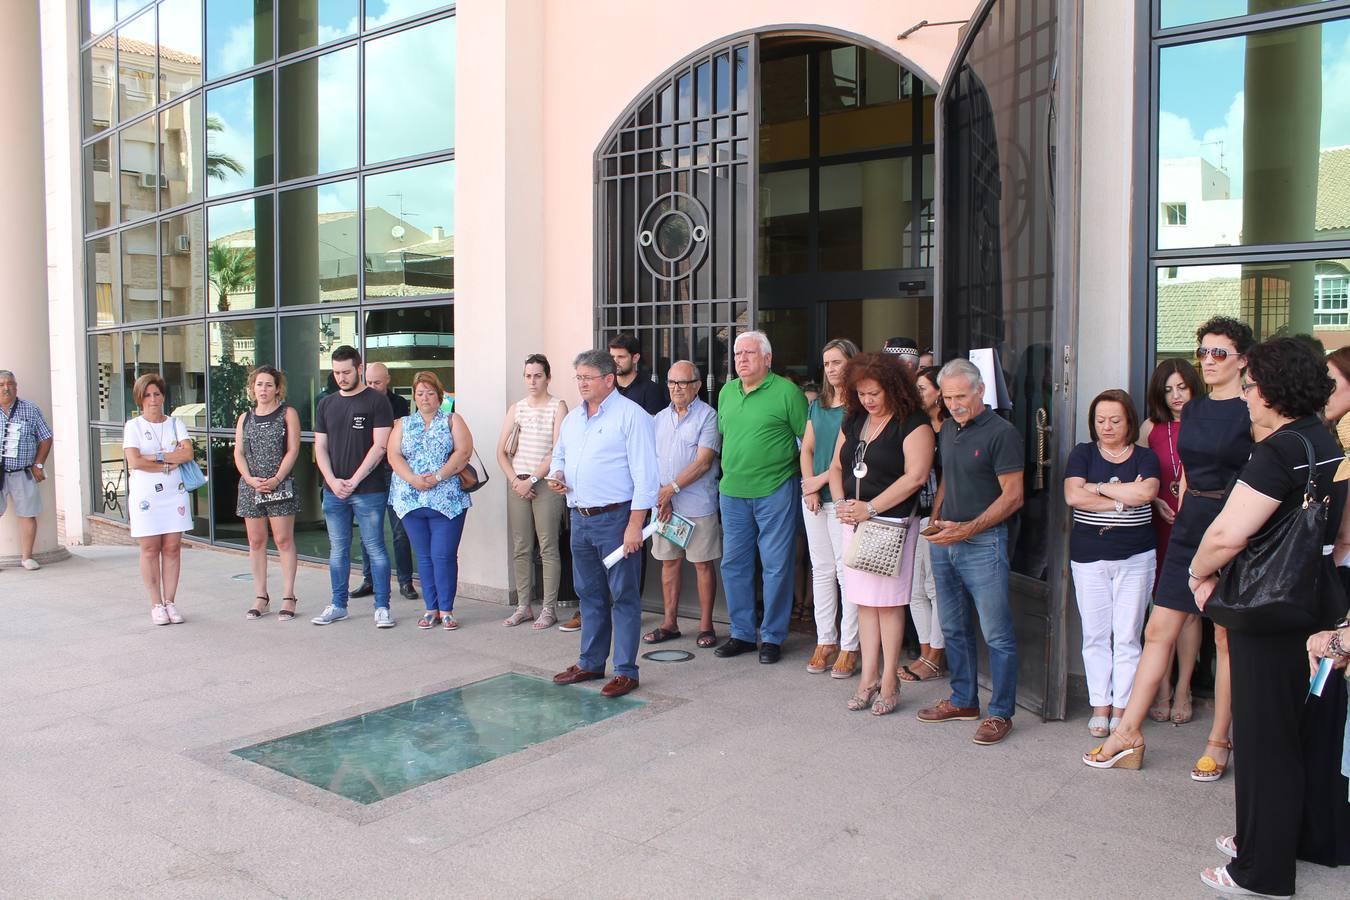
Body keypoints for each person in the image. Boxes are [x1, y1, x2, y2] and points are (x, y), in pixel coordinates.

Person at [1185, 337, 1348, 897]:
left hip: (1269, 608)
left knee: (1265, 740)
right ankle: (1298, 839)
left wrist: (1196, 576)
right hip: (1313, 599)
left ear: (1272, 391)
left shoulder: (1277, 449)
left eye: (1251, 384)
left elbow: (1229, 532)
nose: (1245, 393)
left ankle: (1261, 867)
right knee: (1300, 732)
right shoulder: (1322, 438)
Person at [1084, 317, 1252, 778]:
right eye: (1205, 351)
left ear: (1242, 360)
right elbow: (1188, 468)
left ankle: (1219, 740)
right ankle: (1127, 734)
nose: (1210, 360)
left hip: (1236, 523)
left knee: (1224, 635)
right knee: (1159, 627)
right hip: (1190, 522)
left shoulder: (1253, 408)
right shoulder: (1193, 411)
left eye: (1220, 352)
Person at [918, 358, 1024, 745]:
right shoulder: (947, 429)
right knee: (954, 627)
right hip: (946, 540)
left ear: (981, 391)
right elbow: (947, 478)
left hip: (984, 542)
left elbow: (1013, 496)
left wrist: (969, 528)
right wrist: (936, 518)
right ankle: (964, 700)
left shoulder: (1002, 433)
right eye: (948, 397)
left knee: (997, 634)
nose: (955, 403)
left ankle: (1000, 712)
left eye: (962, 395)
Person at [548, 350, 659, 698]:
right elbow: (559, 456)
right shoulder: (573, 419)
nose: (581, 384)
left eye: (587, 378)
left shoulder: (632, 416)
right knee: (589, 594)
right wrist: (558, 475)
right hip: (580, 518)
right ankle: (591, 662)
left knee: (623, 596)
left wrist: (634, 526)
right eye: (578, 377)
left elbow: (646, 477)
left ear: (609, 379)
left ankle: (626, 670)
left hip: (616, 519)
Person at [828, 353, 932, 715]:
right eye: (862, 393)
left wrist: (870, 508)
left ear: (893, 388)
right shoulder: (855, 418)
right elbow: (837, 465)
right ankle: (867, 677)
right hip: (854, 521)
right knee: (863, 603)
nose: (868, 400)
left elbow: (915, 477)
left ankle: (889, 679)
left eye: (875, 393)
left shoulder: (913, 423)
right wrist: (842, 505)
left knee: (888, 605)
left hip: (891, 525)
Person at [1064, 390, 1161, 738]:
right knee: (1095, 634)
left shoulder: (1145, 457)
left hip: (1136, 557)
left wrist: (1098, 487)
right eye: (1100, 420)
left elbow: (1147, 494)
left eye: (1115, 420)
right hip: (1089, 555)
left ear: (1129, 422)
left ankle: (1123, 708)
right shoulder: (1083, 453)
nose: (1106, 426)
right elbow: (1073, 496)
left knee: (1128, 635)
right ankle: (1099, 706)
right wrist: (1121, 500)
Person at [715, 330, 809, 664]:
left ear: (767, 358)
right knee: (734, 565)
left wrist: (809, 483)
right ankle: (741, 633)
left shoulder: (787, 392)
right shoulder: (726, 392)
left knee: (776, 565)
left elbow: (807, 442)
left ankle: (772, 637)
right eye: (737, 354)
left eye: (749, 353)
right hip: (732, 491)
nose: (741, 359)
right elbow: (727, 437)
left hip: (775, 489)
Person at [1139, 358, 1205, 725]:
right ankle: (1161, 685)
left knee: (1190, 610)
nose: (1176, 395)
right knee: (1159, 606)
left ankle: (1184, 689)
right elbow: (1135, 471)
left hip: (1195, 524)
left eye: (1182, 386)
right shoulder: (1151, 427)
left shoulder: (1209, 421)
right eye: (1168, 389)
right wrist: (1154, 499)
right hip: (1158, 522)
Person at [311, 345, 396, 628]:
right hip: (334, 490)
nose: (341, 377)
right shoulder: (326, 404)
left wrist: (355, 480)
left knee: (375, 548)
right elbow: (320, 447)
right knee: (338, 549)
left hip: (368, 489)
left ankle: (382, 606)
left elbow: (380, 446)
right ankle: (338, 604)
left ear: (359, 368)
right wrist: (333, 481)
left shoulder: (376, 401)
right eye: (336, 372)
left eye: (346, 371)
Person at [644, 360, 722, 647]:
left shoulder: (708, 416)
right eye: (672, 383)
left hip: (698, 504)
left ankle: (706, 626)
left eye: (683, 383)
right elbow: (650, 462)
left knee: (702, 564)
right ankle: (669, 623)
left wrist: (671, 489)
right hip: (665, 508)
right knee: (668, 564)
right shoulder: (658, 419)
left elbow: (703, 462)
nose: (676, 388)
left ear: (697, 385)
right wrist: (661, 496)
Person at [388, 371, 473, 631]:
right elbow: (393, 455)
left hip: (446, 500)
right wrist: (413, 479)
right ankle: (431, 608)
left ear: (439, 395)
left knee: (444, 556)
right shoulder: (403, 423)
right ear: (414, 396)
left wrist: (438, 476)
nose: (425, 397)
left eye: (430, 392)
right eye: (420, 393)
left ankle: (446, 609)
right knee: (424, 557)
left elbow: (464, 452)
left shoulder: (452, 420)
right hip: (410, 499)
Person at [800, 338, 861, 677]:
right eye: (826, 363)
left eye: (837, 361)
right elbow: (807, 448)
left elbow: (849, 456)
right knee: (821, 570)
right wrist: (809, 486)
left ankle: (850, 647)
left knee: (845, 571)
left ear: (852, 362)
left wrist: (820, 482)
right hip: (815, 497)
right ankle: (826, 640)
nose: (832, 369)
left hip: (843, 496)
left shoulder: (860, 405)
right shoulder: (819, 404)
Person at [496, 354, 568, 630]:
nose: (532, 381)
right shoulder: (517, 408)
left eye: (538, 375)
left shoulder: (557, 406)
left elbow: (557, 449)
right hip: (518, 483)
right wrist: (516, 480)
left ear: (548, 377)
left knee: (548, 546)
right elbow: (501, 451)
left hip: (545, 484)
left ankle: (548, 608)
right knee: (521, 546)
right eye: (528, 375)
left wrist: (534, 478)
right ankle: (523, 605)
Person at [123, 373, 195, 625]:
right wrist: (167, 459)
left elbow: (187, 454)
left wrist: (154, 458)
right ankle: (156, 603)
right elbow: (135, 461)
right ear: (140, 399)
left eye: (157, 393)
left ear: (163, 395)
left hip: (174, 494)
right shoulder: (133, 426)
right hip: (145, 496)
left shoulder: (175, 424)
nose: (153, 399)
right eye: (148, 395)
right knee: (150, 548)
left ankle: (170, 602)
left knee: (173, 548)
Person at [233, 366, 302, 620]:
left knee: (283, 540)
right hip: (251, 487)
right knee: (256, 541)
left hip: (280, 485)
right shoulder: (245, 418)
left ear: (277, 388)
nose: (263, 389)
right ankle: (261, 596)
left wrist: (276, 479)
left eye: (268, 385)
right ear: (253, 388)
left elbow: (293, 450)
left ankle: (288, 595)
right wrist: (250, 479)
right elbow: (238, 452)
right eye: (259, 384)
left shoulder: (288, 414)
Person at [350, 362, 417, 602]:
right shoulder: (359, 401)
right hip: (368, 471)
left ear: (387, 379)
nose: (372, 386)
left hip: (393, 471)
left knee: (400, 530)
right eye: (369, 382)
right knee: (368, 531)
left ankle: (406, 581)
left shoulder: (398, 403)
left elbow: (399, 435)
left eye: (377, 382)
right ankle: (369, 580)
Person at [900, 365, 948, 683]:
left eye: (923, 388)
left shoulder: (950, 430)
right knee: (914, 588)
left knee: (934, 587)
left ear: (939, 393)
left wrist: (939, 514)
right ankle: (925, 652)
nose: (918, 394)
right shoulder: (916, 426)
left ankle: (936, 656)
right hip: (915, 514)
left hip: (940, 517)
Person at [0, 370, 53, 570]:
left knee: (28, 514)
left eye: (10, 383)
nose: (6, 388)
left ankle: (27, 557)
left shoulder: (30, 409)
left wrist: (39, 463)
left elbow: (46, 437)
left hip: (22, 471)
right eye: (2, 384)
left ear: (16, 386)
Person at [608, 333, 666, 415]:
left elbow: (652, 424)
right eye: (612, 357)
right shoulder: (606, 387)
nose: (615, 361)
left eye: (621, 357)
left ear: (635, 358)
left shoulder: (651, 390)